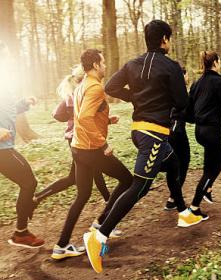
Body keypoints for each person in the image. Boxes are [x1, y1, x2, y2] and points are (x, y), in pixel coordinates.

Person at [83, 20, 202, 274]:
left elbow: (111, 87)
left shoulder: (131, 64)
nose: (170, 42)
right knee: (140, 187)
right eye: (169, 38)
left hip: (139, 131)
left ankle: (183, 212)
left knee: (174, 164)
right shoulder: (170, 67)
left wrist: (135, 96)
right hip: (154, 135)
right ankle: (99, 235)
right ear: (165, 40)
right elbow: (182, 102)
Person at [52, 49, 134, 260]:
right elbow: (86, 118)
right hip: (91, 149)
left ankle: (61, 246)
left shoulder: (81, 86)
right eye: (103, 62)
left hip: (78, 148)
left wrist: (106, 120)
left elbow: (80, 116)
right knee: (127, 180)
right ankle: (102, 222)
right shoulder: (96, 87)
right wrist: (103, 144)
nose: (106, 66)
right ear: (96, 65)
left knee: (83, 195)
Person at [33, 65, 110, 206]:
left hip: (77, 137)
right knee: (95, 170)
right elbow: (81, 118)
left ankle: (37, 198)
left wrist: (108, 121)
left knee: (74, 178)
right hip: (80, 137)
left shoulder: (78, 93)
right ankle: (109, 201)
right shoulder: (79, 94)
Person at [186, 51, 221, 219]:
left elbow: (189, 113)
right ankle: (195, 206)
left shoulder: (197, 83)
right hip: (213, 132)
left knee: (210, 162)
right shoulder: (220, 82)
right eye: (219, 62)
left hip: (199, 132)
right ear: (216, 63)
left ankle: (207, 190)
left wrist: (200, 117)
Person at [0, 41, 44, 248]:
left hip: (5, 147)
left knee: (28, 183)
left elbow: (7, 109)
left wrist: (24, 103)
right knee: (29, 183)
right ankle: (21, 233)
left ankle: (21, 231)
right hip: (2, 149)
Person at [164, 66, 191, 211]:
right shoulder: (179, 92)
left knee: (175, 166)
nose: (187, 78)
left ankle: (172, 199)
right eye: (185, 75)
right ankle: (173, 198)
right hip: (177, 132)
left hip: (172, 131)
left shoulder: (169, 90)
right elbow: (182, 111)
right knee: (183, 163)